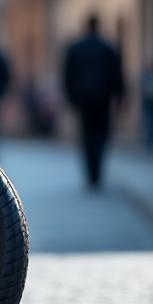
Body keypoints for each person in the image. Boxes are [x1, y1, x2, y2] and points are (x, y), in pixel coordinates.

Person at [62, 15, 125, 189]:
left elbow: (68, 75)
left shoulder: (76, 49)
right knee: (101, 134)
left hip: (84, 99)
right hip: (103, 99)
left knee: (87, 135)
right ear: (98, 26)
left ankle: (91, 171)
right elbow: (117, 75)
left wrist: (71, 97)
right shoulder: (108, 48)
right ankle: (97, 167)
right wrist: (120, 97)